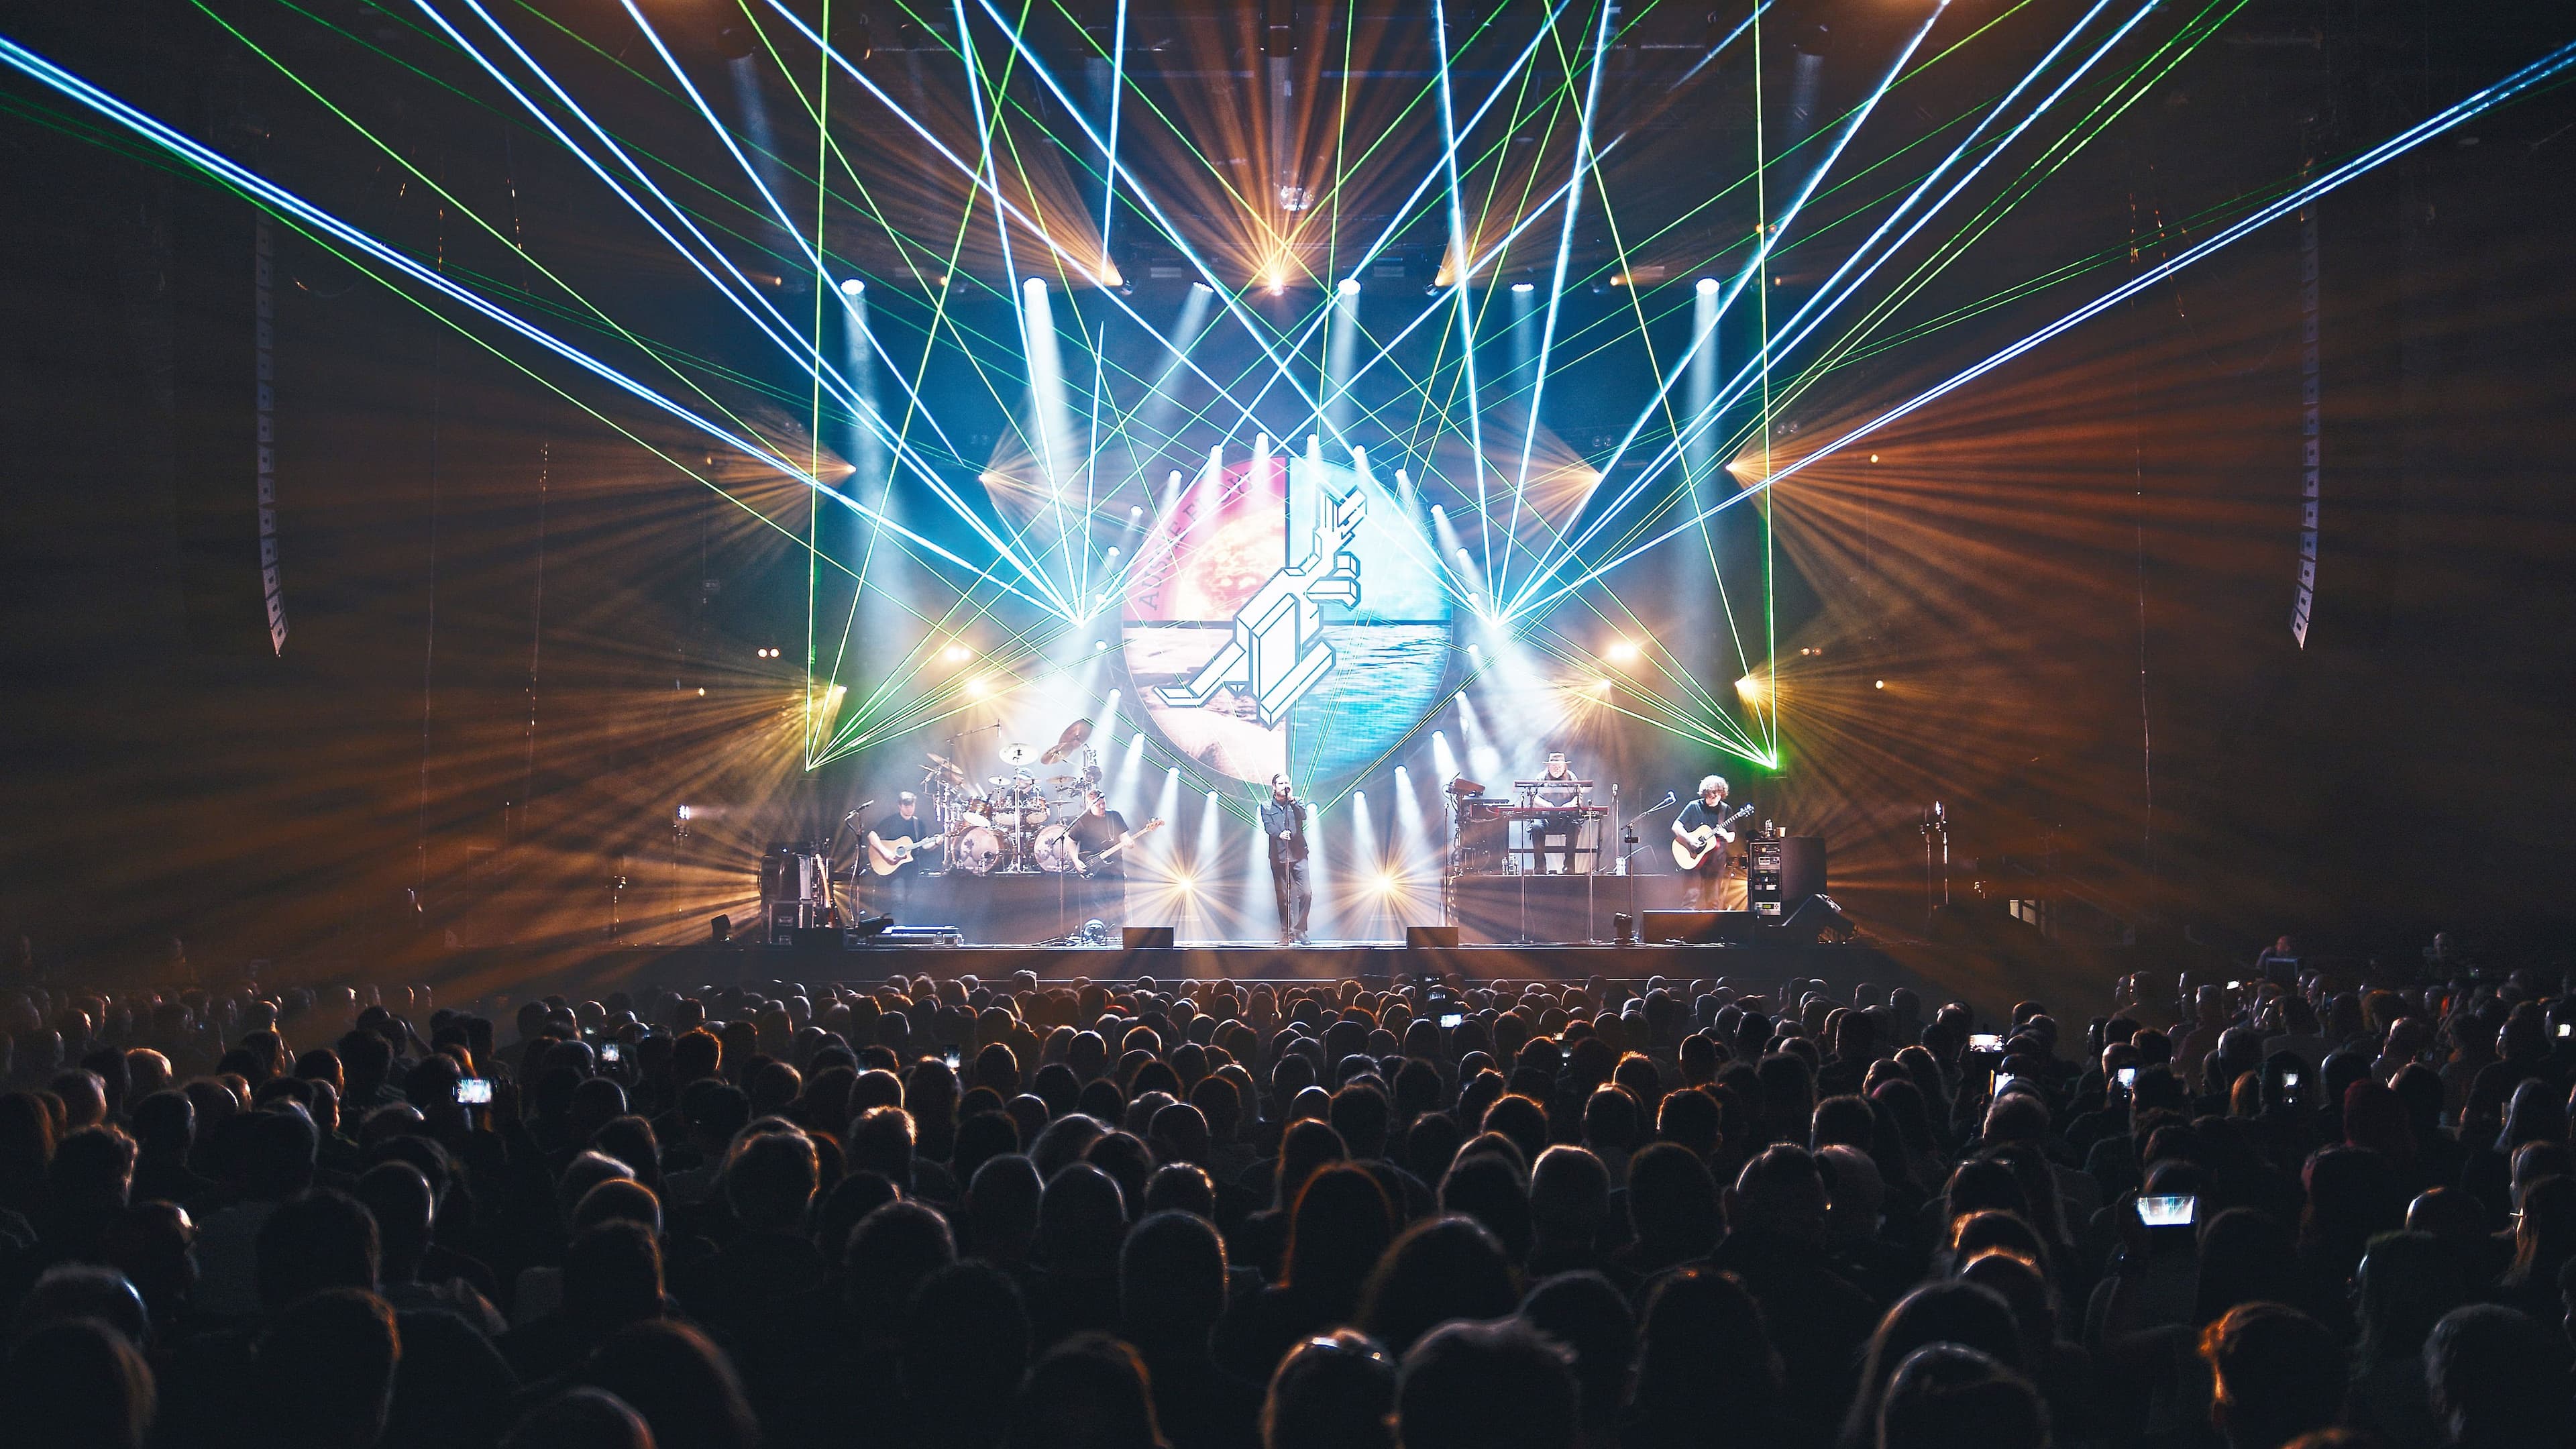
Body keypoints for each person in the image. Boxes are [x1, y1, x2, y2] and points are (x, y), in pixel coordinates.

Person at [1672, 775, 1744, 910]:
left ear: (1721, 794)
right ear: (1704, 793)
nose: (1712, 799)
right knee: (1690, 897)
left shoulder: (1726, 810)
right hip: (1693, 857)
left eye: (1715, 796)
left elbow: (1732, 837)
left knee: (1713, 900)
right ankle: (1685, 928)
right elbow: (1676, 826)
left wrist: (1725, 834)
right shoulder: (1694, 806)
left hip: (1716, 860)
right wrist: (1689, 840)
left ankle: (1711, 930)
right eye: (1709, 795)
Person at [867, 792, 942, 916]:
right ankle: (898, 932)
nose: (909, 808)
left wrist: (937, 843)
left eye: (911, 805)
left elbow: (925, 845)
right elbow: (872, 835)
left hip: (912, 868)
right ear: (900, 805)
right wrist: (885, 853)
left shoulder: (918, 824)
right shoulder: (892, 820)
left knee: (908, 901)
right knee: (899, 900)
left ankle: (906, 931)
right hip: (895, 868)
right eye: (906, 805)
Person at [1069, 790, 1135, 928]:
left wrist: (1129, 842)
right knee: (1098, 904)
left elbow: (1124, 837)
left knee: (1118, 901)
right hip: (1094, 868)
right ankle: (1100, 934)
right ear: (1089, 804)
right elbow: (1070, 841)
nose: (1102, 807)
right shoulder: (1083, 820)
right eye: (1098, 805)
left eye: (1104, 803)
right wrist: (1076, 861)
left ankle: (1117, 935)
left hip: (1116, 867)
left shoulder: (1114, 816)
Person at [1259, 773, 1312, 945]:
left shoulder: (1298, 801)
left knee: (1306, 893)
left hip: (1299, 854)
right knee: (1283, 897)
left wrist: (1293, 801)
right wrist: (1279, 834)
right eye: (1280, 783)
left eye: (1287, 782)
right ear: (1274, 786)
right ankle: (1286, 934)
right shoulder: (1266, 806)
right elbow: (1268, 826)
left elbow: (1303, 816)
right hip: (1278, 856)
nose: (1284, 785)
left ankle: (1301, 931)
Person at [1527, 753, 1585, 875]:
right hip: (1545, 817)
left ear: (1565, 766)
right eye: (1554, 766)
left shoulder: (1571, 777)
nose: (1557, 768)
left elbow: (1579, 797)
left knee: (1574, 826)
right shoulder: (1541, 777)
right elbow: (1533, 797)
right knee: (1536, 827)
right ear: (1548, 766)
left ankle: (1569, 866)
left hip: (1566, 817)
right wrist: (1545, 804)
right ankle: (1540, 866)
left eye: (1559, 766)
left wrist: (1570, 804)